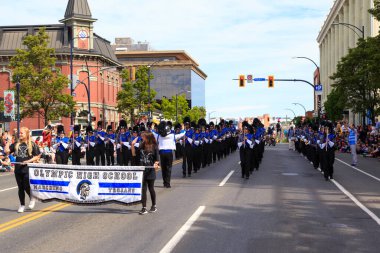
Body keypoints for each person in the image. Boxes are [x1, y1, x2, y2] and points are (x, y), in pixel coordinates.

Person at [4, 127, 41, 213]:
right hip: (18, 169)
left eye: (22, 133)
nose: (20, 134)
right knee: (20, 187)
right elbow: (7, 151)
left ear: (26, 134)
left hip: (27, 168)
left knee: (26, 185)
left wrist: (28, 161)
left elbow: (37, 156)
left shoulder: (32, 144)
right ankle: (22, 205)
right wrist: (9, 141)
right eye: (19, 133)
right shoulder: (16, 143)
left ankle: (32, 197)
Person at [131, 131, 160, 215]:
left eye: (143, 137)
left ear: (147, 137)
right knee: (143, 190)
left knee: (151, 188)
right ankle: (144, 207)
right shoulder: (141, 145)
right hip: (142, 171)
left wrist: (156, 164)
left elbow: (157, 159)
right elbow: (134, 155)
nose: (142, 138)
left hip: (150, 171)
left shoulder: (154, 146)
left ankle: (154, 206)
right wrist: (132, 145)